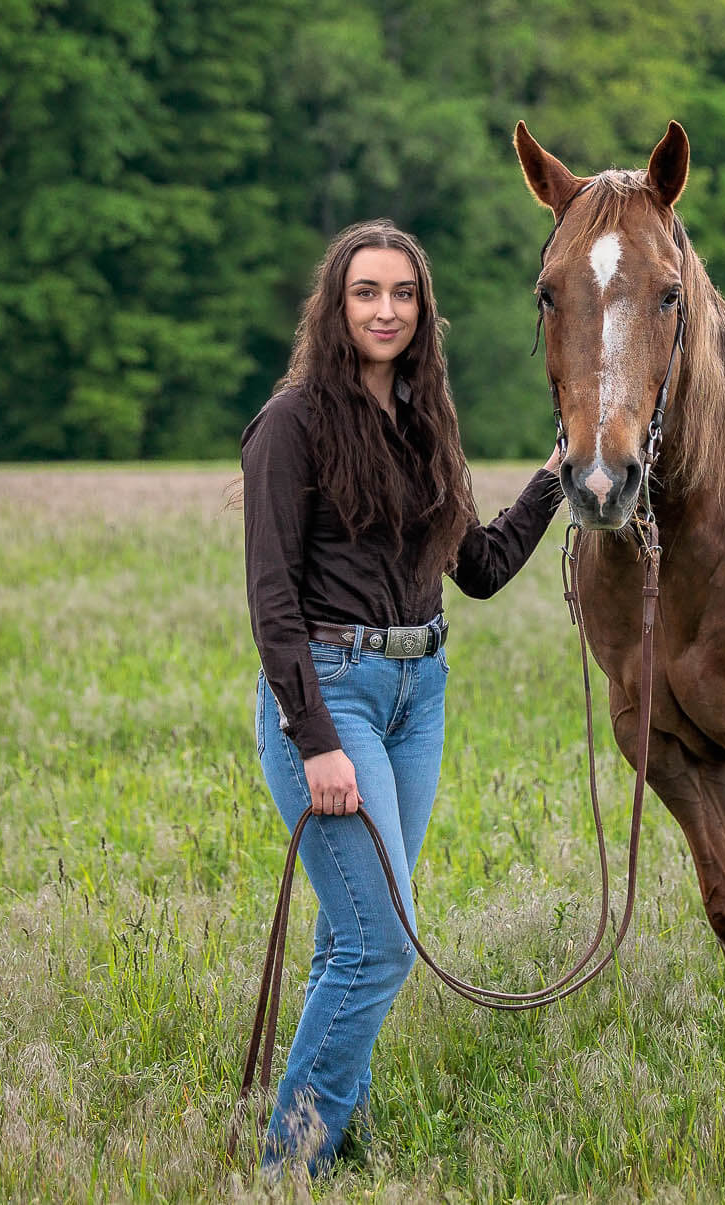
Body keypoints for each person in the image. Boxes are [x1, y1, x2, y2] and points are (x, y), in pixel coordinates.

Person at [241, 219, 564, 1174]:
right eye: (366, 292)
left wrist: (555, 480)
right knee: (382, 942)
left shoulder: (425, 424)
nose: (387, 309)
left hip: (419, 695)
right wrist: (315, 739)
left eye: (404, 293)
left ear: (424, 309)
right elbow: (272, 604)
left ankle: (337, 1143)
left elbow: (480, 567)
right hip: (332, 693)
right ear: (335, 307)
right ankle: (289, 1166)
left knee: (351, 936)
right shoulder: (292, 424)